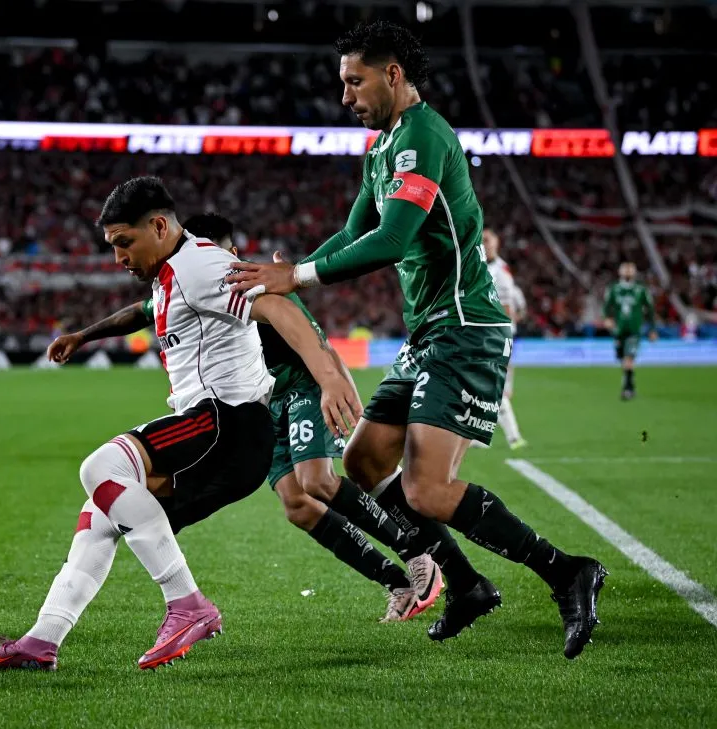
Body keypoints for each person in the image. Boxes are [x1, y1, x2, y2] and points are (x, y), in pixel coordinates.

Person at [226, 21, 606, 659]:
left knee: (427, 488)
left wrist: (299, 276)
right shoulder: (382, 148)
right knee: (364, 463)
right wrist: (292, 276)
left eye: (355, 81)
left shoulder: (424, 136)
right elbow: (354, 234)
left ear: (393, 74)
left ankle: (567, 572)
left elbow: (393, 239)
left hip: (465, 327)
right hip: (428, 333)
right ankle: (466, 584)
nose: (345, 96)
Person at [0, 177, 362, 672]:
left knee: (101, 468)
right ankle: (42, 640)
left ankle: (187, 604)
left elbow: (276, 305)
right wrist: (83, 336)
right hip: (222, 437)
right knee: (100, 514)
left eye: (124, 242)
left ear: (159, 226)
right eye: (112, 245)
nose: (119, 257)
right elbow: (137, 314)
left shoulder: (199, 265)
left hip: (226, 424)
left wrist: (328, 376)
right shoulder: (171, 272)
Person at [47, 211, 461, 623]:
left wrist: (335, 382)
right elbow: (141, 311)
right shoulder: (187, 284)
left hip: (301, 385)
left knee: (317, 480)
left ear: (231, 252)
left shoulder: (252, 282)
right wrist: (83, 335)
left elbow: (313, 337)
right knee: (298, 506)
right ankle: (395, 582)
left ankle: (417, 553)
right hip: (261, 404)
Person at [481, 228, 527, 449]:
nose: (484, 244)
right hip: (482, 334)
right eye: (481, 240)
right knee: (482, 386)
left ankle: (513, 437)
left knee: (491, 386)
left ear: (496, 243)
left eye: (487, 240)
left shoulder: (500, 271)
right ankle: (479, 437)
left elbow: (508, 309)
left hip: (494, 335)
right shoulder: (477, 265)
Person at [603, 262, 657, 400]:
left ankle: (627, 389)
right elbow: (607, 307)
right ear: (620, 272)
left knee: (629, 358)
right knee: (622, 358)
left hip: (634, 329)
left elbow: (650, 310)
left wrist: (652, 329)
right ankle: (629, 381)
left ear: (634, 272)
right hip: (619, 330)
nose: (627, 272)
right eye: (625, 270)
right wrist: (607, 319)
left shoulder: (641, 290)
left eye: (630, 270)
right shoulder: (614, 289)